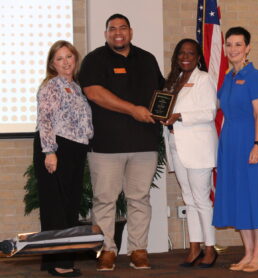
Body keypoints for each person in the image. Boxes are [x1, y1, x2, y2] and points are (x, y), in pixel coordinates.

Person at [78, 14, 164, 271]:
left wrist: (167, 111)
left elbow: (161, 95)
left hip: (144, 145)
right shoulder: (94, 60)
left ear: (130, 32)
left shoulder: (147, 59)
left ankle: (138, 250)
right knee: (105, 200)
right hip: (106, 146)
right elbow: (94, 93)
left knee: (140, 199)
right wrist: (133, 110)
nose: (118, 32)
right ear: (106, 34)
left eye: (123, 28)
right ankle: (107, 250)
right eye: (112, 28)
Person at [212, 27, 258, 272]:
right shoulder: (228, 78)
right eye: (229, 44)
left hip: (250, 141)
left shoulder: (255, 76)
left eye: (238, 44)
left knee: (254, 197)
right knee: (240, 197)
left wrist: (257, 144)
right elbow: (216, 108)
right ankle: (248, 254)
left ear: (248, 47)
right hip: (229, 143)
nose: (232, 49)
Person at [33, 40, 93, 277]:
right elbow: (45, 120)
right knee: (54, 207)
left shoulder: (76, 87)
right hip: (56, 148)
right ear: (52, 64)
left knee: (69, 207)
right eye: (60, 58)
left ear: (75, 59)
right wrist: (49, 151)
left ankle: (63, 261)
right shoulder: (50, 86)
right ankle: (56, 263)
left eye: (69, 56)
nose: (66, 62)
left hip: (75, 151)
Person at [162, 39, 218, 268]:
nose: (185, 57)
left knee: (202, 200)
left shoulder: (204, 79)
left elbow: (209, 112)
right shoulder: (173, 82)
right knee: (189, 199)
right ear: (176, 56)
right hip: (176, 145)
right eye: (181, 53)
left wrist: (179, 116)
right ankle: (194, 246)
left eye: (191, 53)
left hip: (198, 148)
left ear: (197, 58)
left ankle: (211, 248)